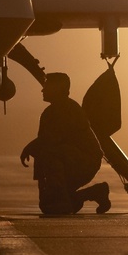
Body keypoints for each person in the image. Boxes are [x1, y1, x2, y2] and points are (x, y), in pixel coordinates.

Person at [18, 72, 111, 215]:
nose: (43, 90)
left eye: (47, 86)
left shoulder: (69, 109)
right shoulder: (49, 112)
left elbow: (51, 141)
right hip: (70, 161)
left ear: (57, 89)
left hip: (85, 161)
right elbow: (44, 144)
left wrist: (29, 148)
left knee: (52, 153)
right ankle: (94, 192)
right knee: (49, 206)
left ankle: (63, 199)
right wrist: (44, 187)